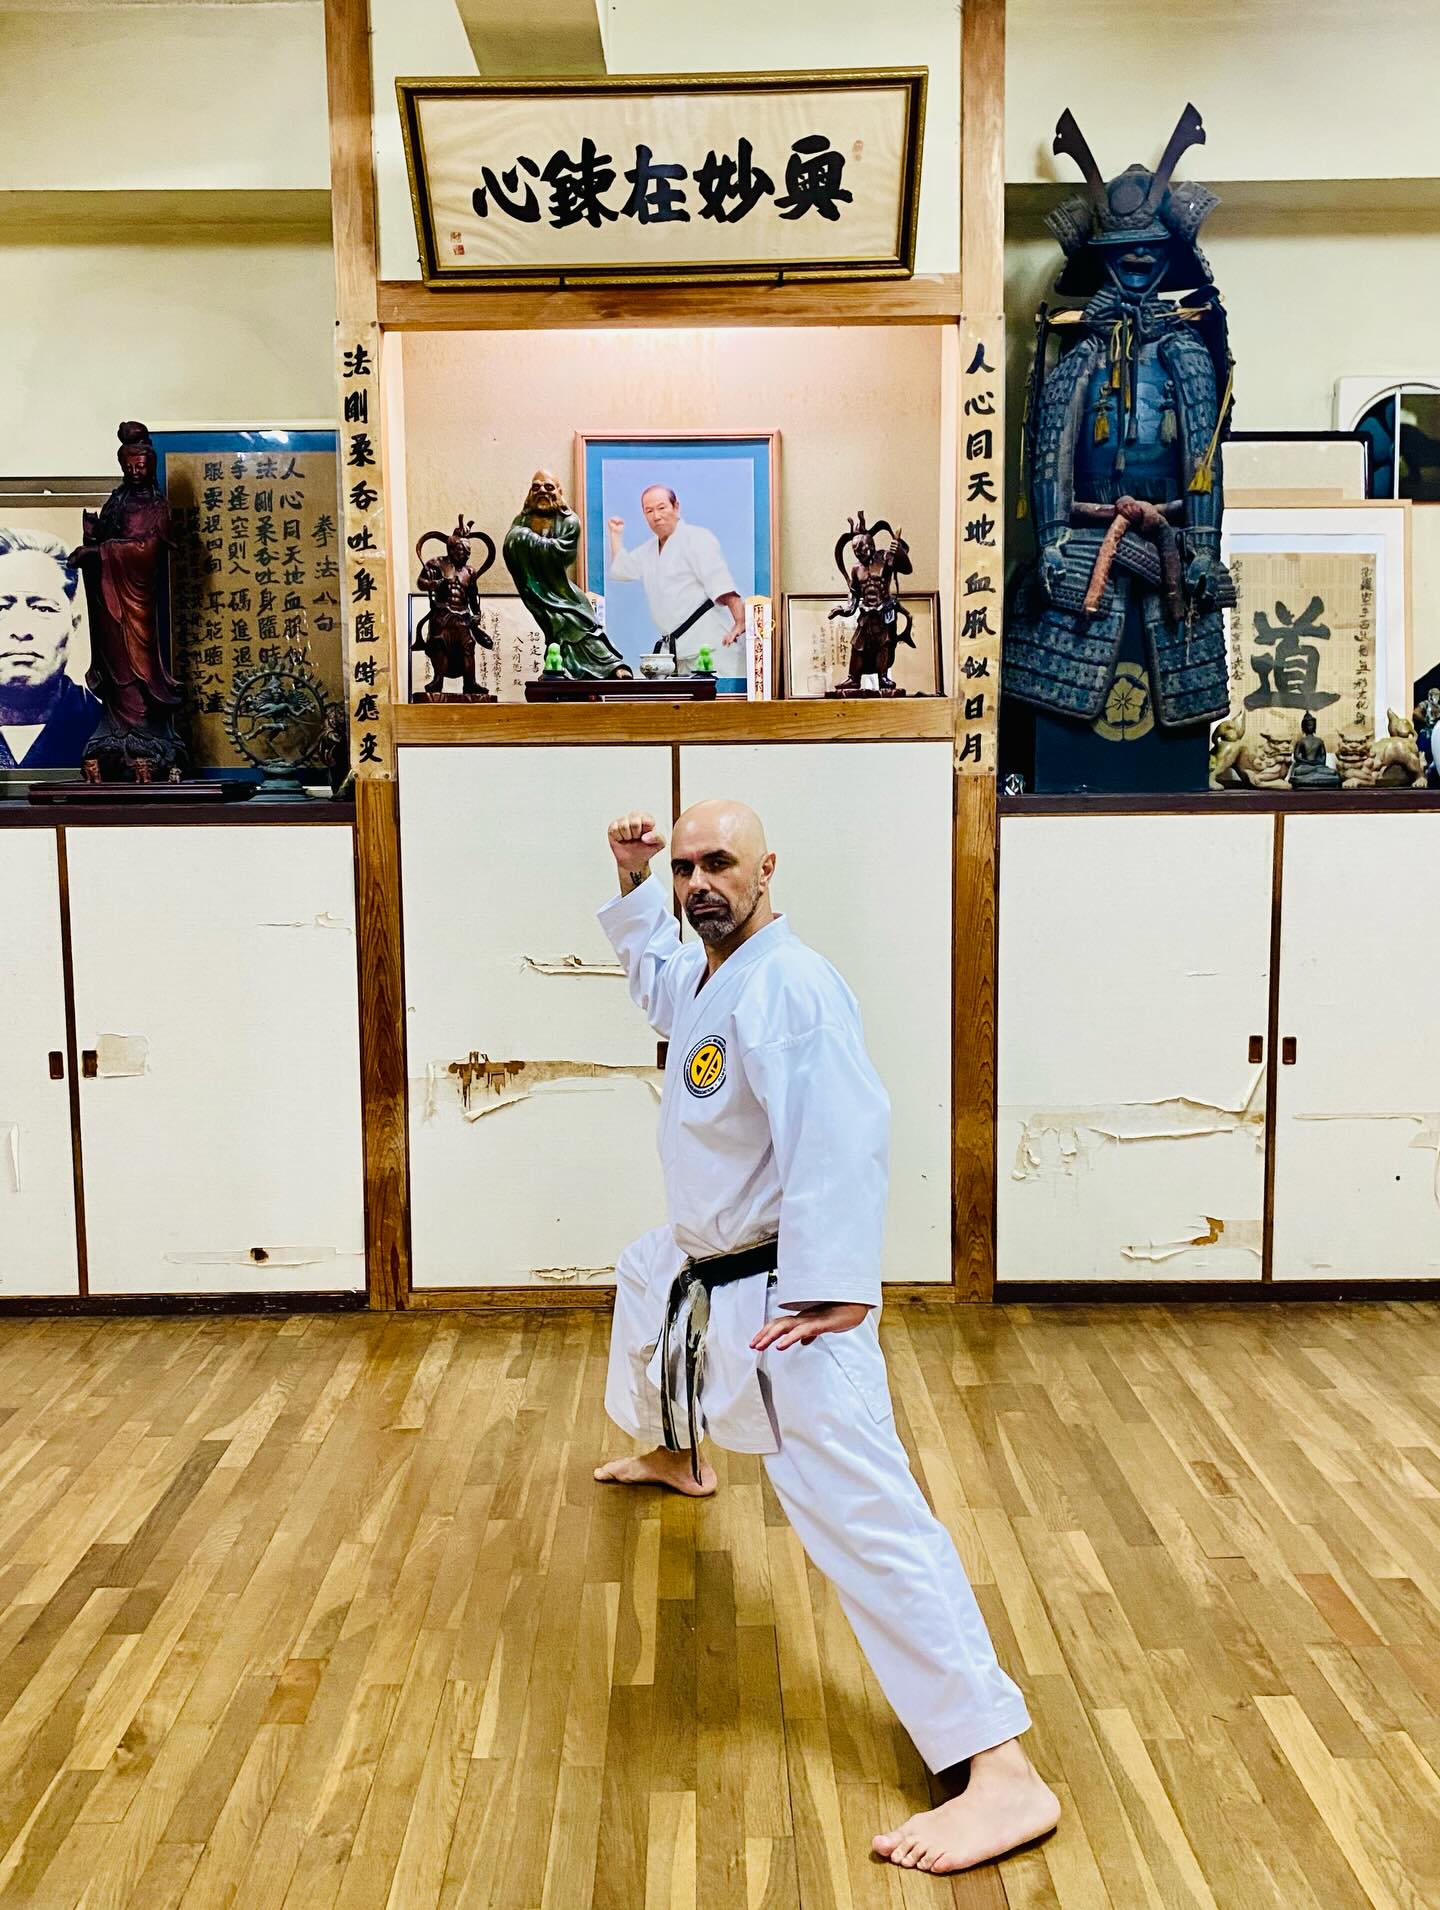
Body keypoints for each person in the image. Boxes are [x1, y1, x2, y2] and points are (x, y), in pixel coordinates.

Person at [594, 798, 1060, 1877]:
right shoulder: (714, 971)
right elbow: (657, 979)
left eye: (720, 863)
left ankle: (1001, 1768)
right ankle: (676, 1451)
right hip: (716, 1259)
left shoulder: (791, 987)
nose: (698, 883)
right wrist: (629, 880)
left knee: (867, 1518)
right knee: (645, 1273)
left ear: (767, 870)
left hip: (786, 1295)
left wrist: (835, 1286)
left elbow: (844, 1132)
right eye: (685, 868)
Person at [606, 485, 746, 671]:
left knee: (717, 689)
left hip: (712, 645)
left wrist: (740, 621)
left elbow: (721, 583)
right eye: (649, 511)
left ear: (676, 507)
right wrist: (615, 535)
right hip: (676, 650)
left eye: (661, 507)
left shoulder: (697, 538)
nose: (656, 516)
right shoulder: (648, 551)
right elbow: (622, 569)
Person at [0, 527, 100, 769]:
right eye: (1, 608)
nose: (21, 630)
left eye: (43, 608)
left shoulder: (105, 728)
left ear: (74, 624)